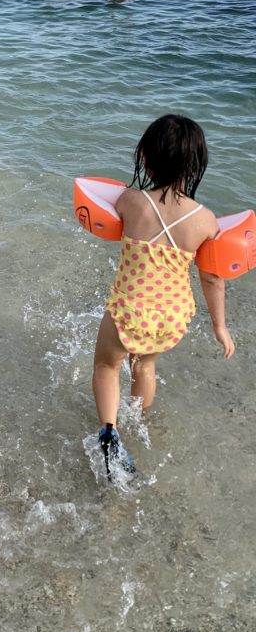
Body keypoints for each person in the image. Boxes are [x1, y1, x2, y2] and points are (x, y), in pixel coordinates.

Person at [91, 114, 234, 479]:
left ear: (146, 158)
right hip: (172, 315)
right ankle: (137, 420)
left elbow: (108, 212)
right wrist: (220, 326)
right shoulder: (206, 221)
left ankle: (109, 431)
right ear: (195, 164)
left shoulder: (132, 201)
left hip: (129, 309)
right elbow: (213, 279)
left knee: (108, 366)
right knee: (145, 366)